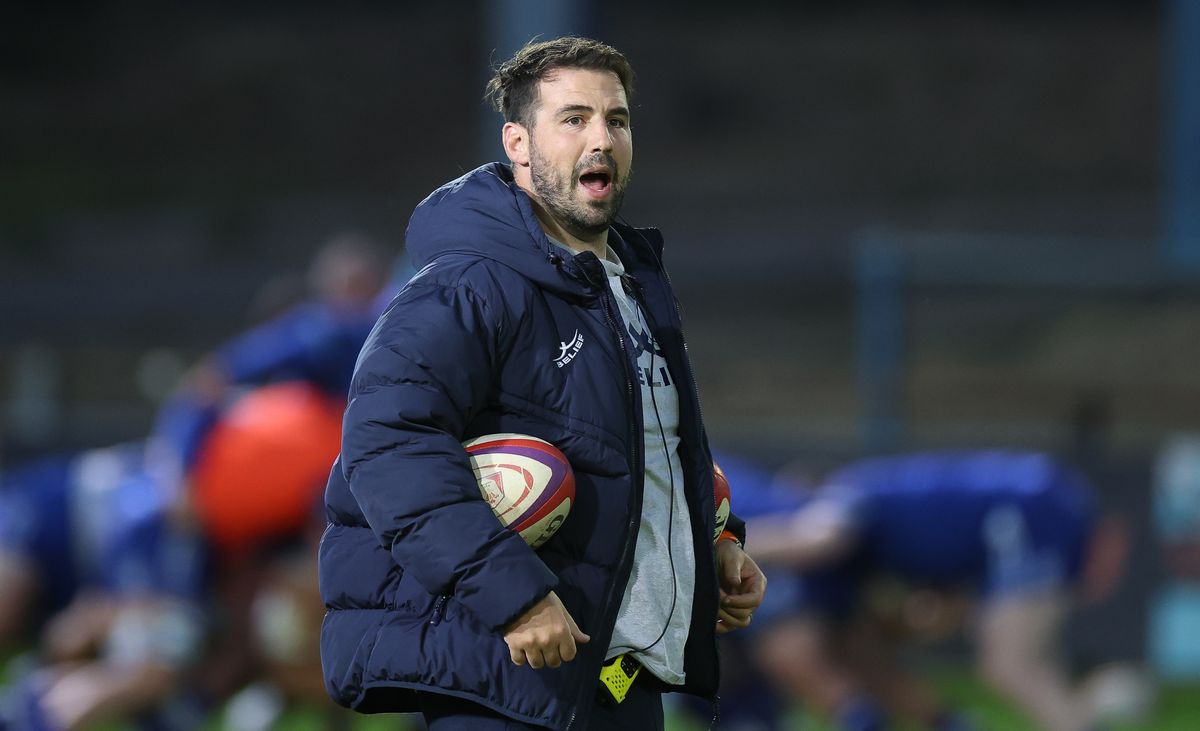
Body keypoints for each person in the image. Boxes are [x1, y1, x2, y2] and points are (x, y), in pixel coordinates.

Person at [319, 36, 767, 731]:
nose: (601, 138)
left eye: (616, 120)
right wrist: (513, 595)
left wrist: (717, 545)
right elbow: (386, 442)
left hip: (616, 681)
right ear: (518, 142)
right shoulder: (469, 283)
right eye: (574, 118)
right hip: (505, 677)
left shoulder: (631, 286)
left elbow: (639, 451)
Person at [745, 450, 1130, 731]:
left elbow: (813, 541)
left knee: (1011, 664)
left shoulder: (848, 493)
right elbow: (940, 614)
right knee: (1029, 665)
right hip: (1035, 506)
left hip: (1027, 509)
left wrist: (722, 545)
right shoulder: (894, 541)